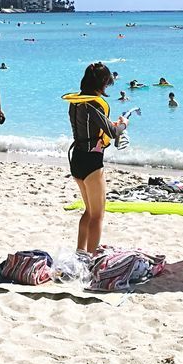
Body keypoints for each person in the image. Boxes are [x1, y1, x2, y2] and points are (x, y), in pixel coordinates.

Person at [64, 63, 128, 255]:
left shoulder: (76, 102)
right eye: (107, 83)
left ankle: (80, 252)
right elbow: (111, 132)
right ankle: (90, 258)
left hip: (76, 158)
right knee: (98, 215)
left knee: (89, 211)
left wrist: (110, 125)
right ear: (102, 82)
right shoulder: (93, 103)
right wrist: (123, 125)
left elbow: (91, 127)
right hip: (92, 162)